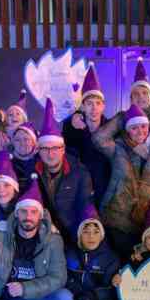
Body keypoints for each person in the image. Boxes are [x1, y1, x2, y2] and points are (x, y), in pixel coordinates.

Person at [93, 103, 150, 262]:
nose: (140, 131)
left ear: (149, 126)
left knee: (148, 266)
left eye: (143, 126)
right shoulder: (118, 148)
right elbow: (98, 138)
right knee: (123, 264)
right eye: (134, 127)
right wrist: (122, 116)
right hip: (119, 218)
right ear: (127, 129)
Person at [36, 98, 95, 246]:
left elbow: (85, 206)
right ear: (38, 150)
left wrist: (86, 238)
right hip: (41, 238)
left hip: (72, 238)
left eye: (55, 148)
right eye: (45, 148)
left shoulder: (80, 172)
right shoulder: (32, 174)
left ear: (62, 149)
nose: (50, 154)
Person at [63, 63, 112, 206]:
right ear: (83, 106)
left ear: (103, 107)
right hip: (79, 192)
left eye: (98, 103)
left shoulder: (112, 129)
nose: (94, 108)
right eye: (89, 103)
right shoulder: (71, 129)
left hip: (105, 192)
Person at [11, 121, 39, 194]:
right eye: (17, 140)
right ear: (13, 143)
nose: (22, 143)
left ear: (34, 142)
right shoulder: (8, 164)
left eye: (26, 139)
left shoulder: (43, 163)